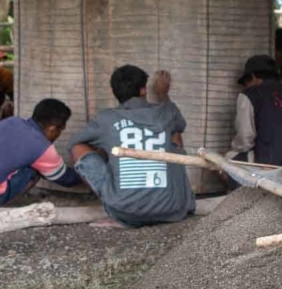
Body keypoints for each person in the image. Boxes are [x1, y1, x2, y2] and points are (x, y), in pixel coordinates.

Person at [68, 65, 194, 228]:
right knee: (174, 133)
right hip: (172, 209)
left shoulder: (105, 118)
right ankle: (174, 195)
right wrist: (163, 94)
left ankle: (115, 199)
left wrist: (104, 150)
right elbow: (180, 124)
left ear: (115, 92)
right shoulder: (168, 112)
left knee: (78, 148)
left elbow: (73, 144)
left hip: (125, 212)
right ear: (143, 90)